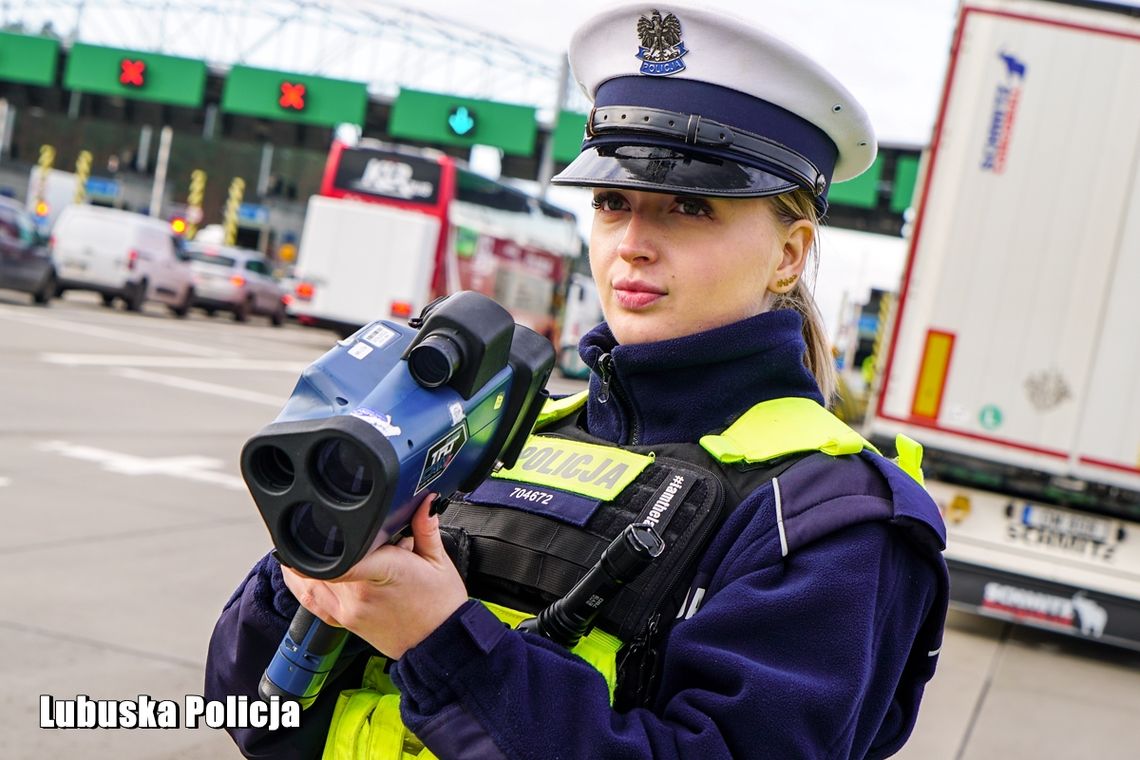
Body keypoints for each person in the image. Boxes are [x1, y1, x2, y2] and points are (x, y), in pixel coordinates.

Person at [206, 5, 949, 758]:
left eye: (690, 208)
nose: (631, 244)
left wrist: (445, 648)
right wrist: (306, 571)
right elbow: (254, 719)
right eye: (611, 202)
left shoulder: (835, 520)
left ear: (789, 254)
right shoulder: (499, 431)